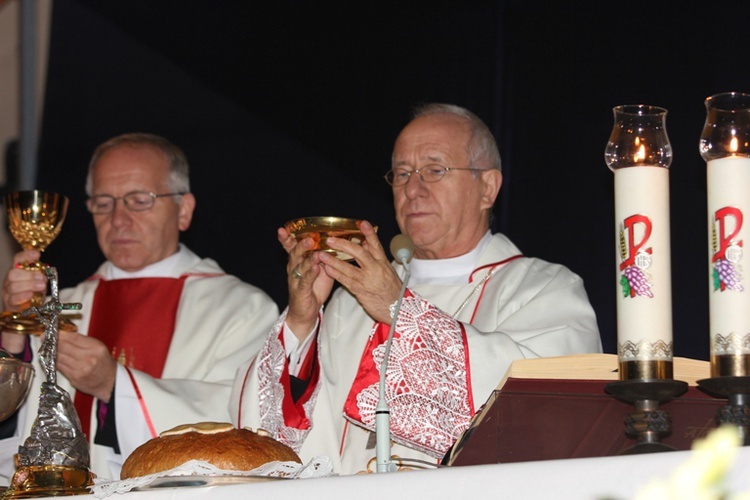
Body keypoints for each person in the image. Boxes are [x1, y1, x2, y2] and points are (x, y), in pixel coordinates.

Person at [231, 103, 602, 475]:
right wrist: (302, 322)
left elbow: (543, 413)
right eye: (402, 173)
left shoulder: (545, 290)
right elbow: (267, 439)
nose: (413, 189)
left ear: (487, 188)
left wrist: (398, 310)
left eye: (435, 170)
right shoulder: (349, 301)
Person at [0, 133, 279, 481]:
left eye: (139, 200)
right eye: (103, 202)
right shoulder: (62, 304)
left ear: (184, 210)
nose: (118, 219)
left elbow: (245, 425)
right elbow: (14, 426)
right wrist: (13, 334)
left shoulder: (242, 309)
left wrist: (115, 385)